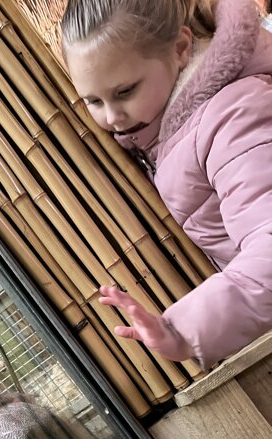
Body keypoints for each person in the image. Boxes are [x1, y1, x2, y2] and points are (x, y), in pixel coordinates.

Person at [61, 0, 272, 369]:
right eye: (93, 100)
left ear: (181, 48)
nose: (111, 117)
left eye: (125, 91)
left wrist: (183, 331)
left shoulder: (232, 118)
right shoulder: (168, 132)